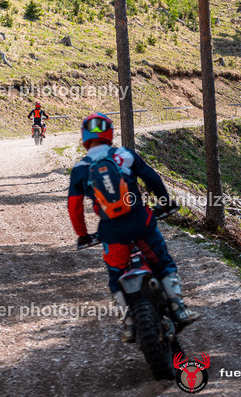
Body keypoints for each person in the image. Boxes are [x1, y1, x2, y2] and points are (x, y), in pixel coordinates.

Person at [67, 112, 199, 343]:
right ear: (109, 132)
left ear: (84, 136)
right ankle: (178, 306)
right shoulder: (124, 155)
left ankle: (128, 320)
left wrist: (83, 235)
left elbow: (74, 206)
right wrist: (165, 204)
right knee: (163, 261)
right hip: (141, 222)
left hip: (112, 232)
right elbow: (152, 179)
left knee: (116, 274)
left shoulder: (80, 168)